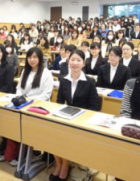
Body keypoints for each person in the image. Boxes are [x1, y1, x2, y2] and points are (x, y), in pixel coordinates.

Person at [53, 50, 100, 181]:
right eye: (72, 59)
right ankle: (58, 164)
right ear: (68, 62)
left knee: (66, 136)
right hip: (65, 116)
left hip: (82, 120)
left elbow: (94, 107)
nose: (75, 63)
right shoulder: (64, 79)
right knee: (52, 132)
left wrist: (83, 120)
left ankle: (65, 166)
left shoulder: (90, 82)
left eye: (78, 60)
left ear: (83, 63)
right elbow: (59, 101)